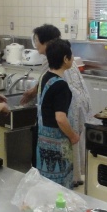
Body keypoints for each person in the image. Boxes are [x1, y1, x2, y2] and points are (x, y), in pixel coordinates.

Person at [20, 24, 91, 186]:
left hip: (67, 110)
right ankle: (72, 178)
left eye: (37, 40)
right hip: (70, 111)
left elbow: (45, 88)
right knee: (67, 152)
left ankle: (71, 177)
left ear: (47, 43)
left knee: (64, 149)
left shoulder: (51, 68)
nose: (35, 44)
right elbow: (59, 117)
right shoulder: (59, 69)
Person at [36, 39, 81, 188]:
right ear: (65, 59)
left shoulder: (45, 77)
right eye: (71, 55)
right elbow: (60, 118)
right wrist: (73, 136)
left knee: (47, 184)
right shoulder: (61, 86)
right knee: (60, 187)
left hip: (43, 140)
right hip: (57, 143)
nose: (73, 58)